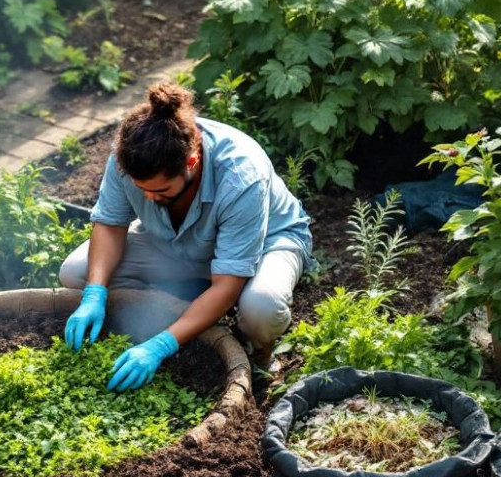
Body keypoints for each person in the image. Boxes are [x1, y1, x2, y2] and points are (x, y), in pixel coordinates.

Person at [59, 81, 313, 391]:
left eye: (161, 190)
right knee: (76, 272)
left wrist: (160, 346)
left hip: (267, 244)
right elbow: (110, 225)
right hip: (176, 241)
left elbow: (228, 283)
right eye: (143, 191)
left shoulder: (241, 176)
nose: (150, 199)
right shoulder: (129, 155)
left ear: (191, 163)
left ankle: (257, 356)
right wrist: (94, 294)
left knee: (261, 308)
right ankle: (186, 305)